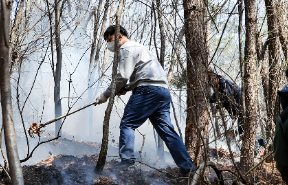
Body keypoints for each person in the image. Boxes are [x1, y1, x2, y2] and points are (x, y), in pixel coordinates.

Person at [95, 25, 194, 176]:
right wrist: (127, 88)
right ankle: (188, 168)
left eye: (110, 39)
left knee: (127, 124)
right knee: (168, 132)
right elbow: (142, 74)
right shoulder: (140, 48)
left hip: (147, 91)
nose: (109, 44)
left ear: (119, 36)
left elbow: (122, 76)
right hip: (162, 92)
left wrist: (105, 95)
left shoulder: (126, 48)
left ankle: (127, 161)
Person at [209, 72, 243, 136]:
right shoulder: (220, 86)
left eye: (211, 82)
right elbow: (214, 98)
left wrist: (217, 107)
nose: (211, 85)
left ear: (216, 79)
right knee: (239, 128)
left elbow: (227, 98)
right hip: (237, 109)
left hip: (240, 107)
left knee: (241, 129)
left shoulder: (224, 83)